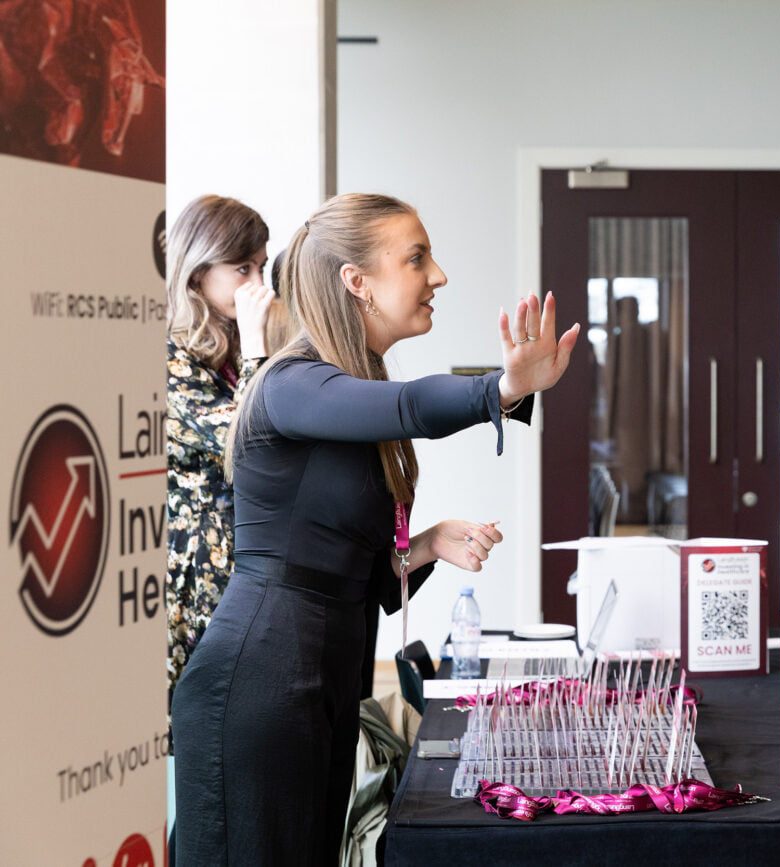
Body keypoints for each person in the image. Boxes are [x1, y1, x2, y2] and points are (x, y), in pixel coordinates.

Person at [171, 192, 579, 864]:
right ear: (356, 281)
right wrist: (500, 389)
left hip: (318, 681)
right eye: (416, 258)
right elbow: (413, 404)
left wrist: (427, 544)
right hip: (258, 688)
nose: (438, 275)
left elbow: (343, 570)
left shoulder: (341, 394)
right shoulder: (290, 383)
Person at [165, 194, 275, 718]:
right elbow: (246, 442)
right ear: (197, 271)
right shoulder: (169, 356)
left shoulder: (225, 350)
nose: (257, 283)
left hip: (239, 565)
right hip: (193, 579)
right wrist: (256, 349)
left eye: (261, 265)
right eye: (242, 268)